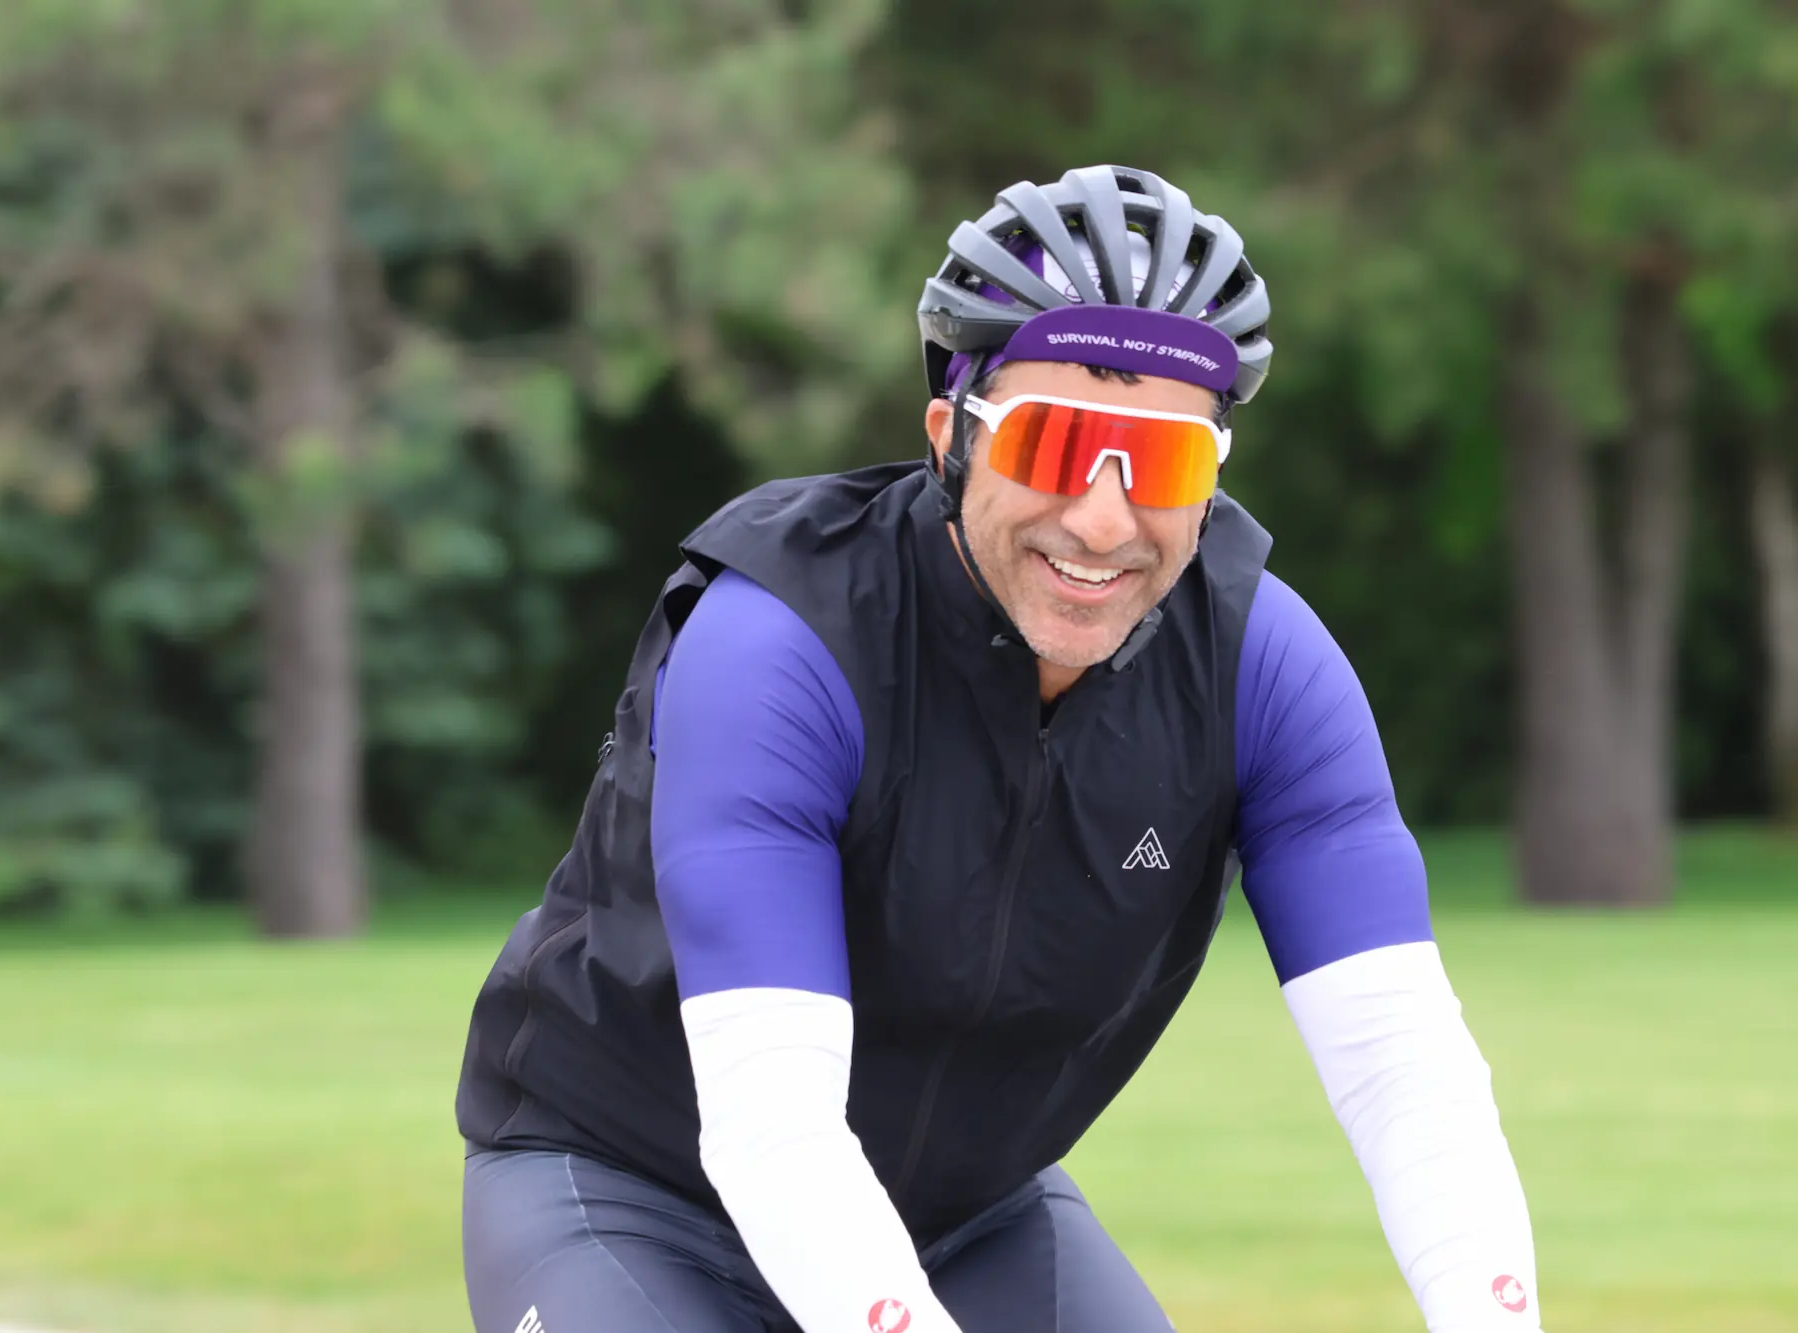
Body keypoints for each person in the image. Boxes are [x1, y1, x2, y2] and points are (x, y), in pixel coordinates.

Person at [456, 164, 1544, 1333]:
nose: (1100, 519)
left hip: (967, 1217)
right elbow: (770, 1122)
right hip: (633, 1193)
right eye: (1053, 446)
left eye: (1161, 461)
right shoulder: (780, 642)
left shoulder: (1259, 664)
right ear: (950, 437)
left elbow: (1401, 1066)